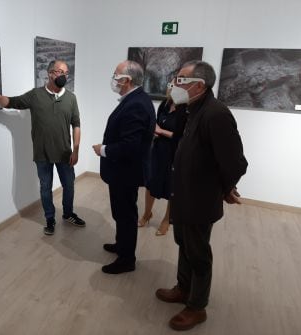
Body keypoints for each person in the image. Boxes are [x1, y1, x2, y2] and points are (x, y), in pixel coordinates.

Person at [155, 60, 248, 331]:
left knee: (198, 253)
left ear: (199, 85)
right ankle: (183, 289)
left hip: (199, 198)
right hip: (183, 193)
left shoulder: (216, 114)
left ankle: (197, 306)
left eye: (181, 79)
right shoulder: (192, 109)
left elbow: (235, 163)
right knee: (184, 244)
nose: (175, 83)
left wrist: (224, 188)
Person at [0, 60, 85, 236]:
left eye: (66, 73)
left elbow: (76, 124)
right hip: (42, 154)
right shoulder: (35, 95)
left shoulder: (71, 98)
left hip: (64, 153)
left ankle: (68, 214)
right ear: (50, 73)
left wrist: (76, 150)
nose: (64, 76)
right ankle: (50, 219)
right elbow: (14, 102)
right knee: (45, 188)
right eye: (60, 72)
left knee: (69, 186)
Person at [92, 60, 155, 274]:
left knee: (126, 214)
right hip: (124, 170)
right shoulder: (136, 98)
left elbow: (130, 146)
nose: (113, 78)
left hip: (126, 171)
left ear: (126, 80)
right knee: (122, 212)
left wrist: (103, 150)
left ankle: (127, 259)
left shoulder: (136, 103)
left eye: (116, 75)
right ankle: (122, 245)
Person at [138, 81, 188, 236]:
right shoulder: (164, 105)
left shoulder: (185, 110)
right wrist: (154, 132)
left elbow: (185, 137)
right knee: (150, 183)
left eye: (176, 86)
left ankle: (167, 219)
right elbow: (156, 124)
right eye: (171, 85)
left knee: (172, 188)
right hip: (158, 150)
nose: (172, 89)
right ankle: (147, 213)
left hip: (175, 153)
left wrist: (161, 131)